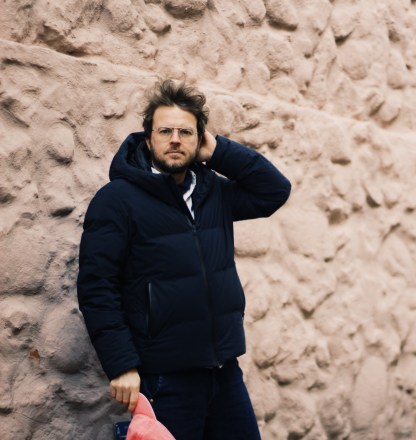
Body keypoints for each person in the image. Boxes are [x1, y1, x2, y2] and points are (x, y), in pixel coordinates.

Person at [77, 79, 291, 439]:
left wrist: (219, 151)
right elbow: (97, 287)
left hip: (224, 370)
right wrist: (121, 364)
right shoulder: (117, 200)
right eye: (165, 131)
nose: (175, 139)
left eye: (186, 132)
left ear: (199, 140)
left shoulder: (214, 192)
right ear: (149, 139)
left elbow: (275, 190)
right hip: (165, 378)